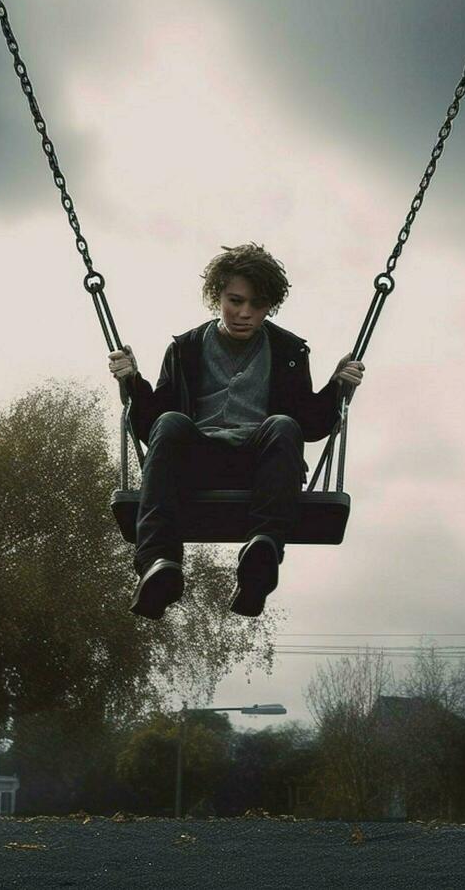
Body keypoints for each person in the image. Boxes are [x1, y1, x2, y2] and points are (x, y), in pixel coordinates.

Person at [108, 243, 366, 621]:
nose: (245, 314)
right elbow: (152, 427)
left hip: (261, 465)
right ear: (217, 295)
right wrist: (131, 381)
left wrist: (338, 386)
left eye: (257, 305)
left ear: (269, 306)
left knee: (282, 424)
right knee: (170, 422)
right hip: (197, 464)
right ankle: (157, 564)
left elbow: (309, 427)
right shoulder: (186, 349)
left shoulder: (289, 352)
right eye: (235, 301)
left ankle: (260, 559)